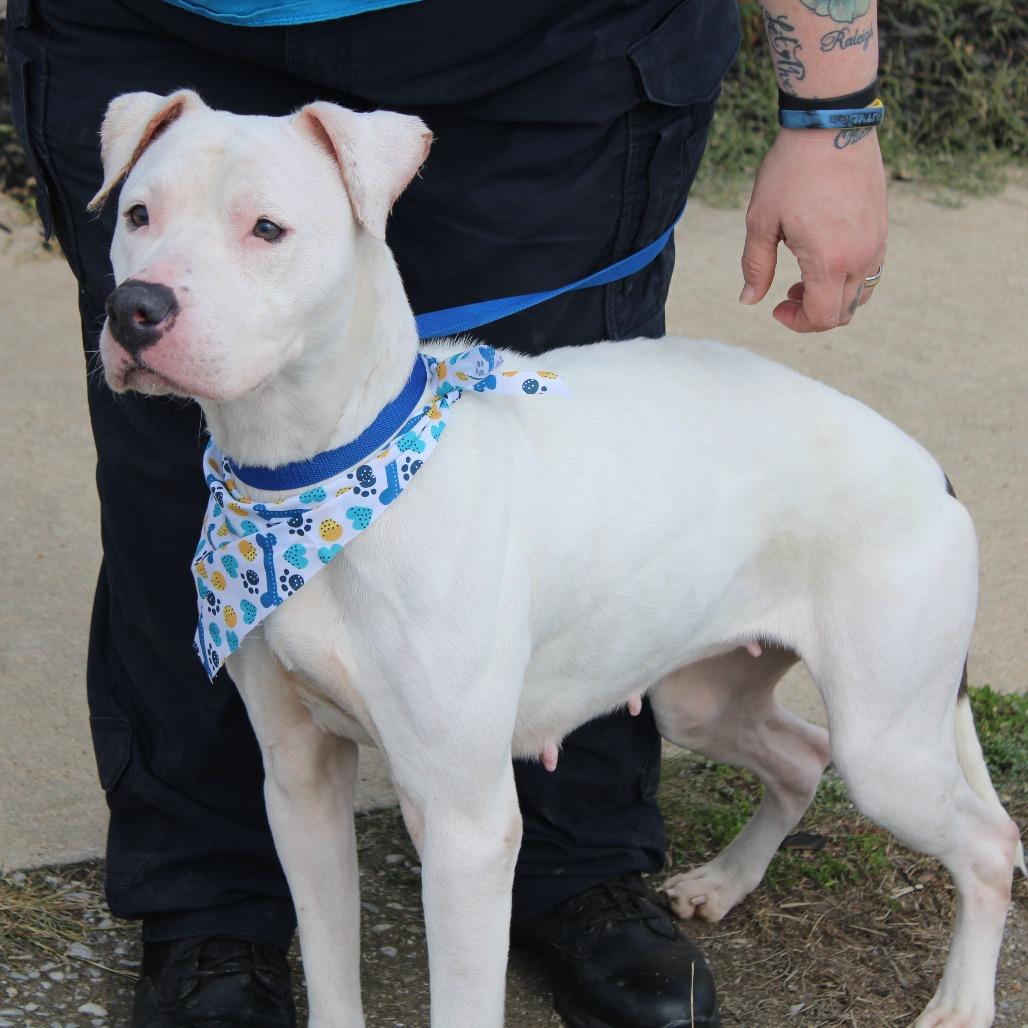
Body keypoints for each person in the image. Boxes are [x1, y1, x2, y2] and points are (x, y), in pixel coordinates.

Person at [6, 0, 886, 1024]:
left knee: (564, 472)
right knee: (177, 480)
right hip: (159, 21)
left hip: (542, 52)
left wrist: (832, 109)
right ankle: (209, 905)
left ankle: (577, 856)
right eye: (142, 217)